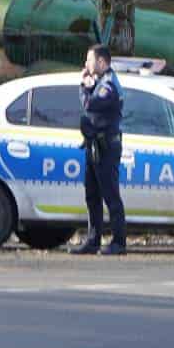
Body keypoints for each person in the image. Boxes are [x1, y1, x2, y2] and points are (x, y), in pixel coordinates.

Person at [72, 45, 127, 256]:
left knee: (110, 194)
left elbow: (90, 104)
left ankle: (119, 242)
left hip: (106, 147)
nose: (86, 64)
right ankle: (93, 240)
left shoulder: (109, 86)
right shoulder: (100, 82)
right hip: (94, 145)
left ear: (102, 62)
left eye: (89, 60)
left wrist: (83, 86)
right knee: (92, 194)